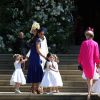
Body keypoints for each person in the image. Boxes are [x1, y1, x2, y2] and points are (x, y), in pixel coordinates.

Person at [78, 27, 99, 99]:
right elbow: (96, 55)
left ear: (88, 35)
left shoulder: (84, 43)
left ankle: (89, 92)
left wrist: (79, 62)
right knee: (91, 78)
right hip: (92, 63)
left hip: (85, 63)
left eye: (86, 35)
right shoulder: (95, 44)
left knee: (88, 78)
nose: (86, 36)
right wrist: (98, 63)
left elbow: (80, 54)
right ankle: (89, 92)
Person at [26, 21, 46, 94]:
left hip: (33, 57)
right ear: (39, 33)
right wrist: (45, 57)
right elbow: (38, 50)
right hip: (35, 57)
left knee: (36, 71)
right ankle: (35, 89)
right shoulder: (37, 40)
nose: (42, 35)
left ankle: (35, 88)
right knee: (37, 71)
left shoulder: (34, 39)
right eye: (41, 34)